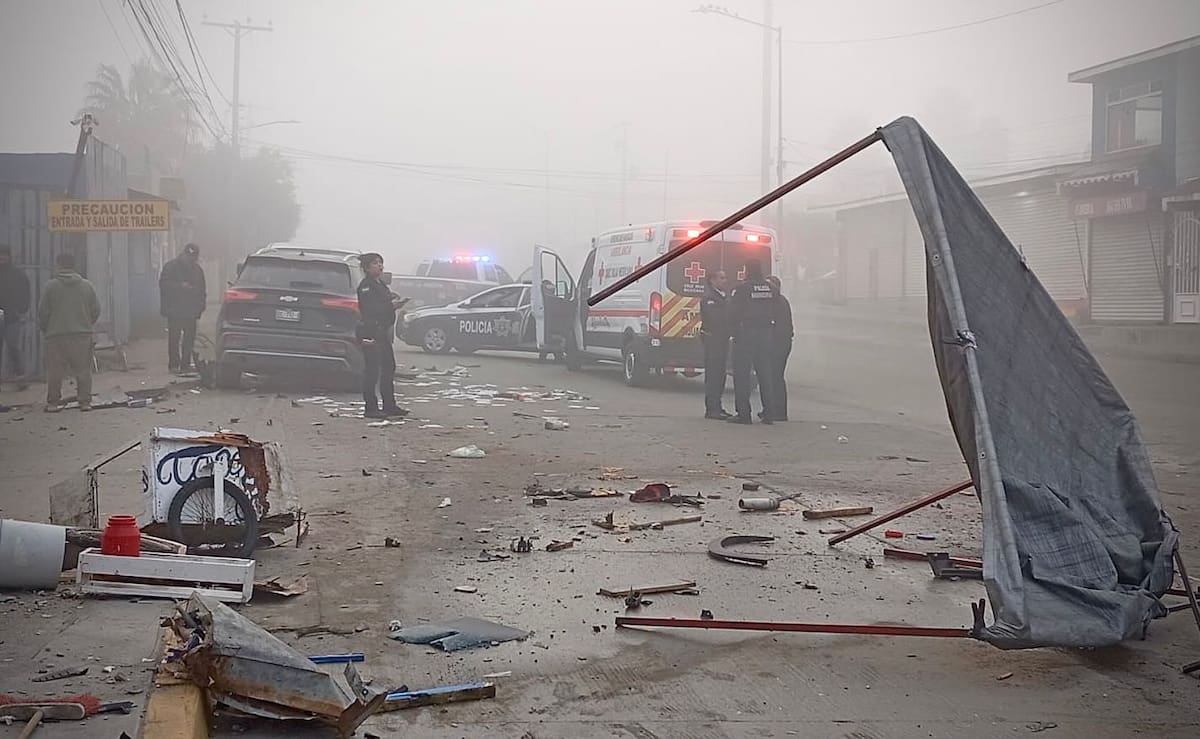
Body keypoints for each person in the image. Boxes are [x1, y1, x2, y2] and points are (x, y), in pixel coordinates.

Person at [38, 252, 100, 412]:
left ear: (58, 265)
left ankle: (53, 403)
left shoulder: (50, 286)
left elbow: (43, 312)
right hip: (82, 335)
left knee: (55, 371)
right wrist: (85, 324)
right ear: (74, 266)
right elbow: (95, 310)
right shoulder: (87, 286)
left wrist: (48, 328)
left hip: (56, 335)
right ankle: (85, 402)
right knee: (83, 370)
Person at [356, 253, 408, 419]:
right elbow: (373, 309)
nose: (380, 266)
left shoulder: (380, 284)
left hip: (382, 332)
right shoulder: (366, 286)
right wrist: (392, 305)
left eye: (381, 263)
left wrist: (393, 299)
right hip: (371, 331)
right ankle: (370, 407)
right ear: (366, 267)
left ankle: (389, 405)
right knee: (372, 370)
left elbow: (384, 301)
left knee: (388, 367)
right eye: (375, 263)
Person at [727, 259, 777, 425]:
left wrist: (734, 333)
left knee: (742, 375)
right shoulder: (771, 288)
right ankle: (769, 413)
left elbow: (733, 314)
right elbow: (777, 309)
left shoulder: (742, 289)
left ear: (747, 269)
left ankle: (744, 414)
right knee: (765, 375)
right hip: (765, 335)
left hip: (746, 335)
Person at [159, 243, 207, 373]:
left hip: (191, 311)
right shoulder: (171, 267)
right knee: (174, 338)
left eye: (193, 258)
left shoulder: (197, 270)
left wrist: (200, 307)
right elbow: (164, 285)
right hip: (175, 310)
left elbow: (202, 291)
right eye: (189, 257)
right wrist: (181, 287)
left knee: (189, 339)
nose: (191, 260)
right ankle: (174, 364)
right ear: (184, 254)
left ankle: (185, 364)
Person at [699, 270, 732, 419]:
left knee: (720, 375)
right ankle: (712, 409)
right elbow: (715, 319)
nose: (725, 280)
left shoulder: (723, 296)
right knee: (713, 375)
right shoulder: (709, 298)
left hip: (722, 341)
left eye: (725, 277)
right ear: (712, 280)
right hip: (713, 341)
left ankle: (718, 407)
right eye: (722, 278)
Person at [0, 244, 31, 390]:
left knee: (13, 347)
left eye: (4, 254)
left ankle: (21, 378)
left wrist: (22, 309)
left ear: (9, 256)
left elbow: (25, 292)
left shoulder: (17, 274)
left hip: (12, 317)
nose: (2, 258)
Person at [764, 274, 792, 422]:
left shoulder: (779, 301)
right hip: (776, 342)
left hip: (779, 344)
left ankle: (780, 411)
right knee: (771, 377)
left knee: (776, 377)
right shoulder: (776, 301)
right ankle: (771, 408)